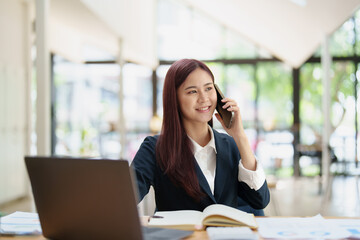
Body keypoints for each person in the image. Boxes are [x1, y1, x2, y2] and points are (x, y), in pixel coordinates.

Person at [131, 59, 270, 214]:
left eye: (209, 88)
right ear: (174, 99)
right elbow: (126, 197)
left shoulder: (230, 145)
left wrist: (240, 136)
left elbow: (260, 200)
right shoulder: (155, 148)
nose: (204, 98)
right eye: (192, 91)